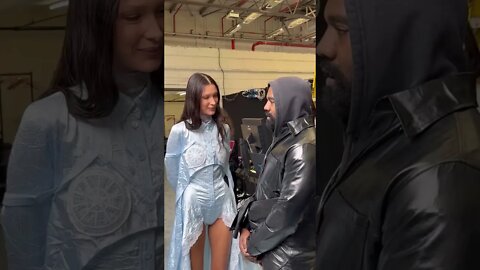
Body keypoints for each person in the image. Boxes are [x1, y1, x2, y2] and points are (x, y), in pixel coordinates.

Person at [316, 0, 480, 269]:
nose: (324, 47)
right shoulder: (383, 130)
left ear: (402, 39)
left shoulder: (438, 176)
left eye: (343, 29)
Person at [0, 0, 164, 269]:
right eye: (133, 17)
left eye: (160, 12)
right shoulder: (48, 121)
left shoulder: (173, 116)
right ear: (96, 24)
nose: (156, 32)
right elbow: (24, 241)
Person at [236, 77, 316, 269]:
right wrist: (246, 225)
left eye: (272, 101)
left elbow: (287, 211)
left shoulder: (303, 147)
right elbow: (267, 193)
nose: (265, 106)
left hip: (288, 258)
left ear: (291, 102)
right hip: (276, 251)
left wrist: (254, 245)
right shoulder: (286, 138)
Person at [165, 73, 242, 270]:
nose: (213, 101)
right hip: (194, 200)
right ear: (194, 98)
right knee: (194, 266)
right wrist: (187, 195)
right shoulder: (180, 131)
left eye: (215, 96)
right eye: (206, 97)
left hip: (221, 199)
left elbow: (224, 166)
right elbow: (172, 169)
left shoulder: (223, 129)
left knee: (221, 265)